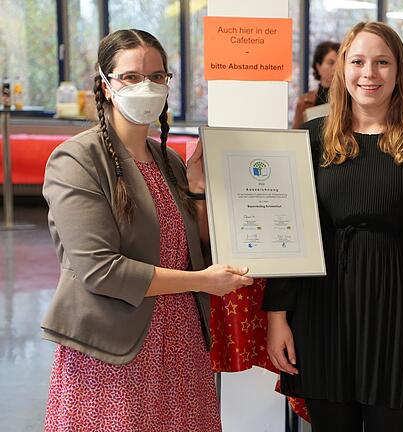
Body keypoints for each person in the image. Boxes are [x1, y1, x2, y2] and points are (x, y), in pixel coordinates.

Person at [42, 29, 253, 431]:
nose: (146, 86)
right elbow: (100, 270)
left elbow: (196, 247)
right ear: (105, 86)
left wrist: (198, 189)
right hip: (114, 349)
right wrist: (201, 281)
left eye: (157, 77)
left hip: (180, 341)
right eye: (131, 77)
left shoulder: (169, 161)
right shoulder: (76, 160)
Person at [264, 21, 403, 432]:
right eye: (358, 62)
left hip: (399, 313)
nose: (369, 74)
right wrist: (277, 316)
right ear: (341, 70)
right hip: (322, 312)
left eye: (382, 62)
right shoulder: (309, 139)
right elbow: (287, 232)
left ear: (399, 71)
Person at [292, 41, 339, 128]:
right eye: (331, 63)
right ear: (318, 66)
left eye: (339, 64)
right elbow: (296, 135)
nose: (336, 68)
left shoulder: (350, 99)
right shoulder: (304, 102)